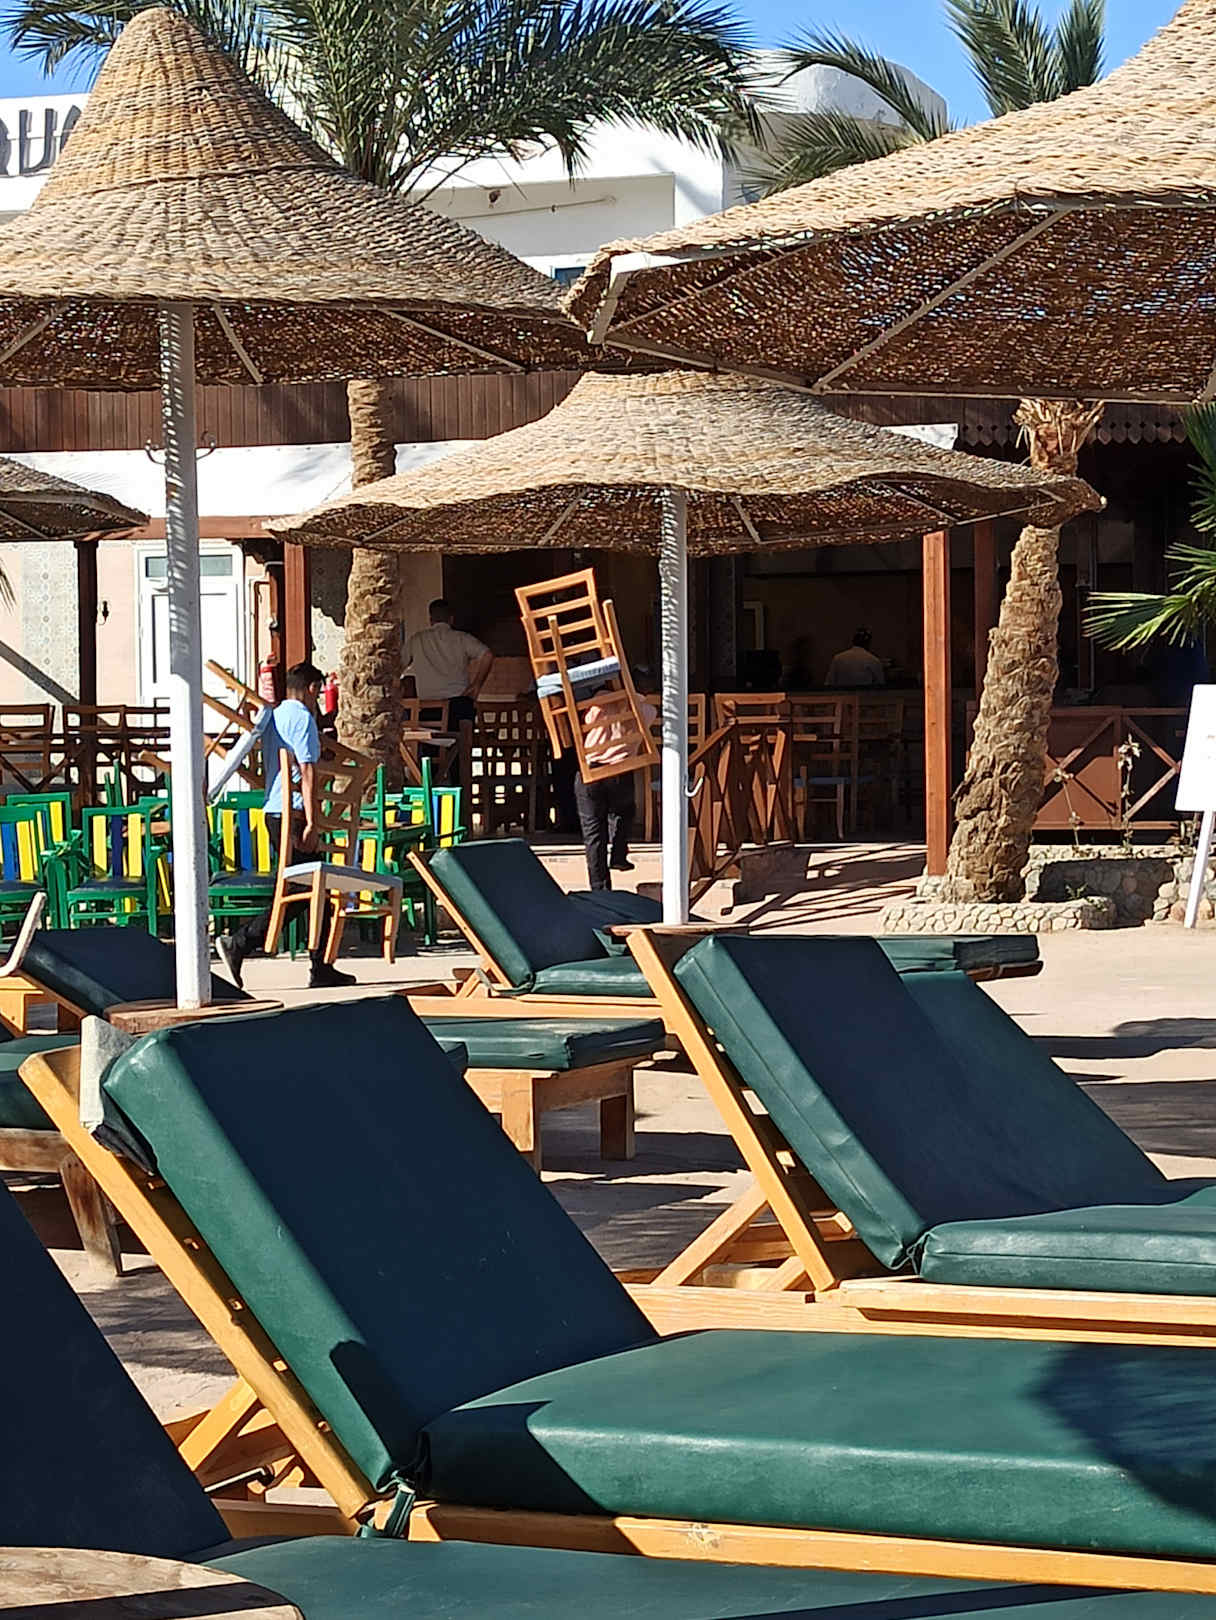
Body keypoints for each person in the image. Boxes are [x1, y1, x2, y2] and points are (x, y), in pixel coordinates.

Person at [216, 661, 354, 993]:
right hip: (292, 814)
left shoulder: (275, 716)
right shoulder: (303, 718)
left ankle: (321, 966)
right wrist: (313, 822)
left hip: (274, 811)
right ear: (312, 689)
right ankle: (241, 941)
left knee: (313, 889)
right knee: (302, 891)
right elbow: (308, 772)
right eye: (318, 693)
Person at [575, 689, 656, 891]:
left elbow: (586, 722)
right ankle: (619, 853)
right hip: (621, 772)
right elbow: (649, 716)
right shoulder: (645, 710)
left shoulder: (597, 704)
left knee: (593, 831)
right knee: (624, 811)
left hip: (592, 770)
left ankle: (600, 887)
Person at [404, 599, 493, 727]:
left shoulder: (417, 640)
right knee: (463, 737)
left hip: (428, 707)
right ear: (451, 619)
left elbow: (398, 665)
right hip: (458, 705)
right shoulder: (462, 638)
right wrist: (476, 684)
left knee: (428, 738)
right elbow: (487, 655)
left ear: (431, 620)